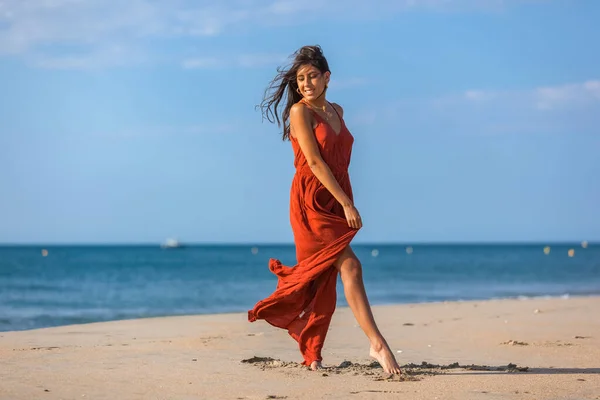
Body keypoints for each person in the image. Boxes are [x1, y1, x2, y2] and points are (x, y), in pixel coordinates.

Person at [248, 45, 401, 374]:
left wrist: (344, 197)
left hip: (333, 196)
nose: (305, 83)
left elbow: (339, 158)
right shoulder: (300, 113)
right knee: (351, 267)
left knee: (323, 277)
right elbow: (315, 162)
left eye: (312, 76)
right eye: (301, 78)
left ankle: (312, 354)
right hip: (311, 202)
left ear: (327, 77)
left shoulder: (338, 110)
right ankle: (378, 344)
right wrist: (347, 203)